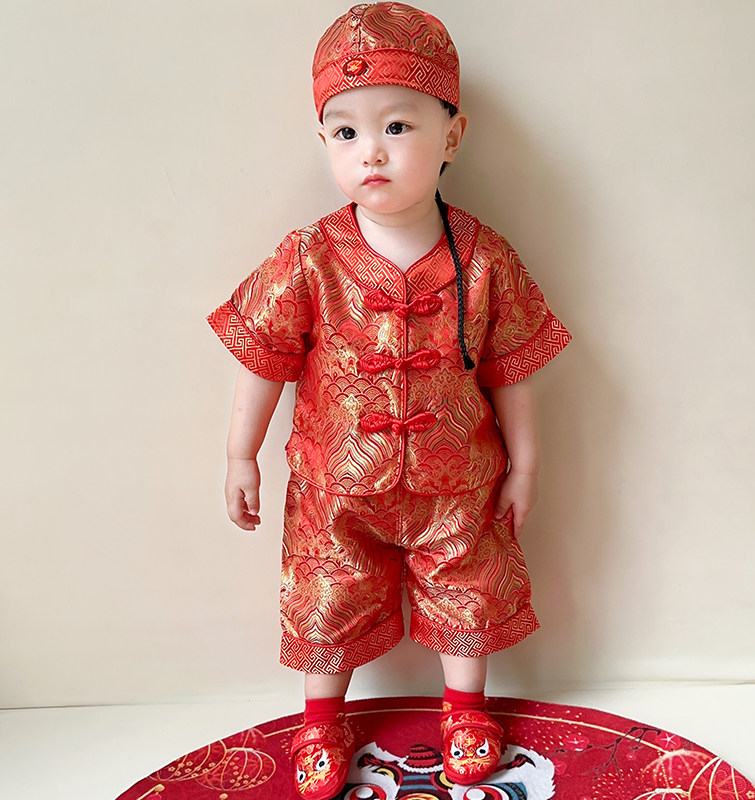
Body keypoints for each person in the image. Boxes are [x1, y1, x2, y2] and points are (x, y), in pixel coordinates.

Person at [207, 3, 571, 798]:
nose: (370, 151)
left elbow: (512, 367)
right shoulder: (308, 258)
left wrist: (526, 462)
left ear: (453, 135)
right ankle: (320, 720)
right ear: (324, 141)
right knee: (327, 593)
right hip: (335, 486)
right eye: (346, 132)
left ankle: (466, 709)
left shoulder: (484, 258)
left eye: (398, 127)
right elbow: (262, 356)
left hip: (459, 481)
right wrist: (240, 454)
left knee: (468, 586)